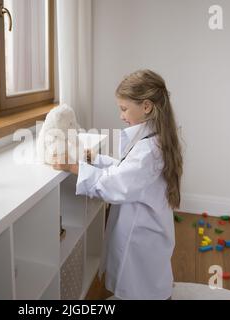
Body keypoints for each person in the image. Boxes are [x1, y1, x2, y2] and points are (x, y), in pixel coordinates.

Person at [52, 69, 183, 300]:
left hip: (142, 233)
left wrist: (73, 167)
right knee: (148, 281)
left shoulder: (149, 150)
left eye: (124, 109)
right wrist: (96, 160)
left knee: (141, 285)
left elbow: (116, 185)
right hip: (149, 227)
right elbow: (125, 170)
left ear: (146, 106)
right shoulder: (151, 138)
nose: (121, 116)